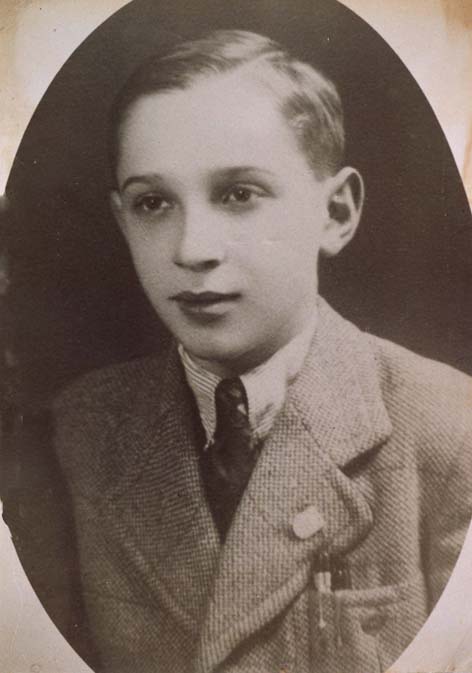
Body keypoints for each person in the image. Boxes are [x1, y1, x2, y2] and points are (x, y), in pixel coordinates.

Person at [52, 30, 472, 673]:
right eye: (153, 203)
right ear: (121, 220)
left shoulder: (450, 429)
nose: (192, 249)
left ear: (335, 213)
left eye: (239, 194)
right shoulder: (81, 429)